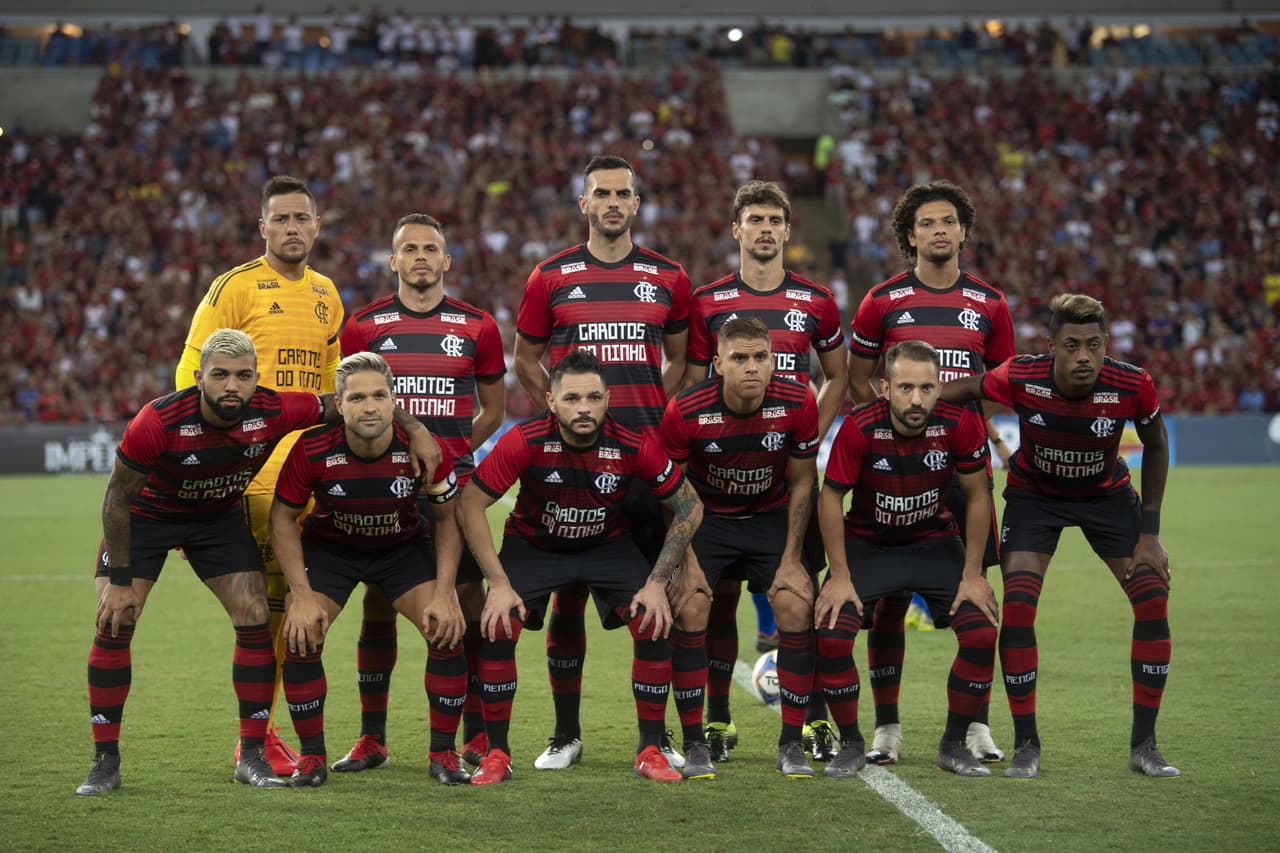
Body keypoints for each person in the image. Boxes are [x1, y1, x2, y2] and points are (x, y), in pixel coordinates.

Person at [77, 329, 337, 796]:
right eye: (220, 375)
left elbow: (344, 402)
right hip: (147, 519)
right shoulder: (157, 420)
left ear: (258, 378)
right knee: (115, 620)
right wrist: (117, 581)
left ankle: (252, 756)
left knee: (256, 617)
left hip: (216, 519)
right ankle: (104, 762)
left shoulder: (273, 409)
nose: (232, 386)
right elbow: (117, 499)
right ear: (199, 378)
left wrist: (413, 429)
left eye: (243, 376)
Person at [940, 293, 1177, 779]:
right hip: (1035, 499)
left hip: (1107, 498)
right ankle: (1027, 744)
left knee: (1152, 598)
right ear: (1051, 346)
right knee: (1021, 605)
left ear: (1106, 344)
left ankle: (1145, 745)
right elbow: (966, 389)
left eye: (1094, 344)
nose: (1084, 356)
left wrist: (1149, 533)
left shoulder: (1132, 383)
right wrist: (915, 401)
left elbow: (1156, 445)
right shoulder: (1022, 376)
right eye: (1072, 345)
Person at [513, 155, 691, 770]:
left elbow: (683, 363)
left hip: (641, 466)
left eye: (623, 193)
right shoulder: (550, 276)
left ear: (637, 204)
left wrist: (651, 415)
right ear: (583, 204)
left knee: (657, 599)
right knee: (566, 597)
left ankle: (657, 737)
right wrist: (558, 422)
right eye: (601, 194)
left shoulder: (668, 277)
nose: (613, 202)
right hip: (572, 468)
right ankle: (566, 735)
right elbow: (524, 360)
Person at [457, 350, 703, 784]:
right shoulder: (525, 440)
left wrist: (657, 580)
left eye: (593, 397)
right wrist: (496, 582)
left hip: (608, 546)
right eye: (572, 399)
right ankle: (497, 753)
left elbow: (688, 504)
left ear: (608, 399)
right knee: (497, 622)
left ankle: (650, 748)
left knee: (653, 616)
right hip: (535, 546)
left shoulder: (633, 443)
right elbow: (470, 503)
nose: (584, 408)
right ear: (551, 401)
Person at [175, 175, 348, 775]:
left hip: (311, 476)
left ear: (317, 226)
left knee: (292, 608)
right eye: (281, 219)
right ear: (263, 227)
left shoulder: (328, 294)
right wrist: (203, 460)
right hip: (254, 475)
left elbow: (331, 392)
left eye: (302, 218)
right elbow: (190, 374)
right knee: (265, 611)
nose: (292, 228)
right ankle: (259, 735)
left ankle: (271, 731)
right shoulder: (235, 287)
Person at [845, 180, 1014, 766]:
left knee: (978, 596)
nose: (938, 230)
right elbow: (859, 380)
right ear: (909, 235)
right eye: (926, 224)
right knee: (886, 603)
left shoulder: (991, 303)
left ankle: (974, 726)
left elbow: (999, 381)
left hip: (962, 467)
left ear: (964, 230)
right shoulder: (881, 300)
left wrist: (974, 430)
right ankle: (887, 728)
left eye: (948, 221)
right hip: (894, 465)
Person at [683, 179, 847, 763]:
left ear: (787, 229)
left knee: (802, 596)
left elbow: (837, 376)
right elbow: (693, 385)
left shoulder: (816, 300)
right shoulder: (706, 302)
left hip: (784, 482)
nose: (766, 229)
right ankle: (719, 721)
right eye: (755, 219)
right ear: (737, 230)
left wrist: (804, 433)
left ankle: (812, 723)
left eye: (775, 220)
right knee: (717, 600)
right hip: (720, 482)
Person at [336, 214, 506, 774]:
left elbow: (495, 412)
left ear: (446, 261)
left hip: (450, 496)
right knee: (378, 602)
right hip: (383, 494)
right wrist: (410, 438)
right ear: (393, 261)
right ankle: (371, 738)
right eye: (409, 249)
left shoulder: (478, 326)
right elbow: (350, 407)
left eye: (430, 249)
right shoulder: (363, 326)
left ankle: (477, 733)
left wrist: (449, 454)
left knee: (468, 605)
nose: (420, 258)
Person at [271, 352, 467, 787]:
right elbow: (282, 519)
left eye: (379, 395)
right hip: (332, 551)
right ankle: (312, 758)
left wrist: (445, 592)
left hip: (400, 549)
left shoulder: (426, 450)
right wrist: (300, 594)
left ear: (394, 400)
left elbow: (449, 519)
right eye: (357, 397)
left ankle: (444, 755)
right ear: (339, 404)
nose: (370, 406)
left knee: (446, 628)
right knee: (301, 635)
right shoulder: (312, 448)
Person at [815, 340, 1000, 778]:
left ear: (940, 388)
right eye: (905, 388)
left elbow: (977, 496)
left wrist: (973, 573)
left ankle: (953, 744)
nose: (916, 399)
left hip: (933, 543)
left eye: (926, 388)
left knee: (980, 632)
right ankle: (853, 744)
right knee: (831, 636)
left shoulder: (960, 424)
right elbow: (830, 497)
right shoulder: (860, 426)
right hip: (870, 545)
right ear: (885, 387)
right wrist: (838, 575)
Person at [661, 317, 821, 780]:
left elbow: (803, 480)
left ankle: (791, 743)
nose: (752, 367)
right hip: (707, 520)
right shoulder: (686, 409)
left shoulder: (797, 401)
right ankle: (697, 742)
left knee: (794, 605)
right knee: (691, 608)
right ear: (718, 364)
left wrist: (793, 559)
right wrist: (686, 562)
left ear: (772, 360)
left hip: (770, 519)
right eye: (739, 358)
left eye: (760, 357)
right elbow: (671, 490)